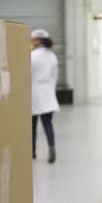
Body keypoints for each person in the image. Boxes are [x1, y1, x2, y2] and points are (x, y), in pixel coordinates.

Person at [30, 29, 59, 164]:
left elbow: (28, 76)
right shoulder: (52, 56)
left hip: (34, 93)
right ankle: (51, 147)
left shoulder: (32, 56)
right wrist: (50, 90)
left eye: (32, 39)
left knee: (32, 125)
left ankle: (32, 152)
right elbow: (54, 76)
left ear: (37, 40)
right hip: (48, 94)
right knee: (48, 124)